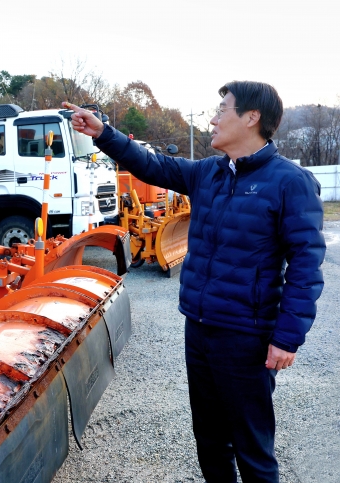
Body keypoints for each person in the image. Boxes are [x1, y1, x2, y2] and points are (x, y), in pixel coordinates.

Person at [63, 81, 326, 483]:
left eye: (223, 109)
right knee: (209, 440)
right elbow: (151, 164)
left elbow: (307, 264)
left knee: (252, 448)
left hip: (247, 336)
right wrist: (103, 133)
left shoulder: (290, 181)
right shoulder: (209, 173)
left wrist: (287, 336)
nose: (214, 118)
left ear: (252, 118)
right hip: (199, 328)